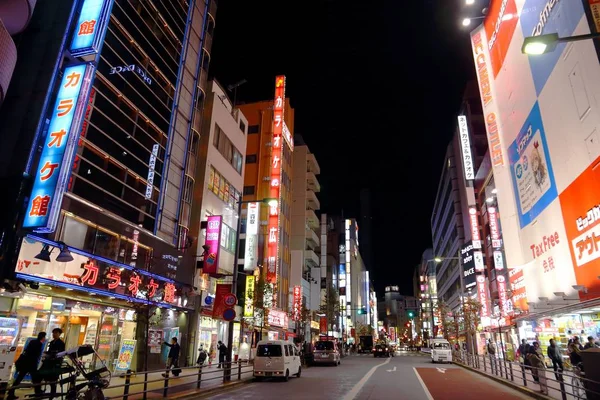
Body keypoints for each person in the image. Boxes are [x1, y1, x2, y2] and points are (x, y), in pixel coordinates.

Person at [8, 332, 47, 400]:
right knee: (36, 379)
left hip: (25, 363)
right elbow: (36, 355)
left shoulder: (32, 341)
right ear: (43, 337)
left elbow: (27, 350)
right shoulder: (39, 344)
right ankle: (38, 393)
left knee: (19, 378)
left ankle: (11, 392)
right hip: (31, 364)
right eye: (44, 337)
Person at [37, 328, 66, 399]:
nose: (54, 334)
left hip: (54, 364)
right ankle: (39, 392)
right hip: (48, 362)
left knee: (53, 380)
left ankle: (52, 395)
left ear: (59, 334)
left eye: (56, 333)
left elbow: (61, 353)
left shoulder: (61, 343)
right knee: (39, 377)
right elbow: (50, 351)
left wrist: (53, 355)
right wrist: (46, 354)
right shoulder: (52, 342)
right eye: (53, 333)